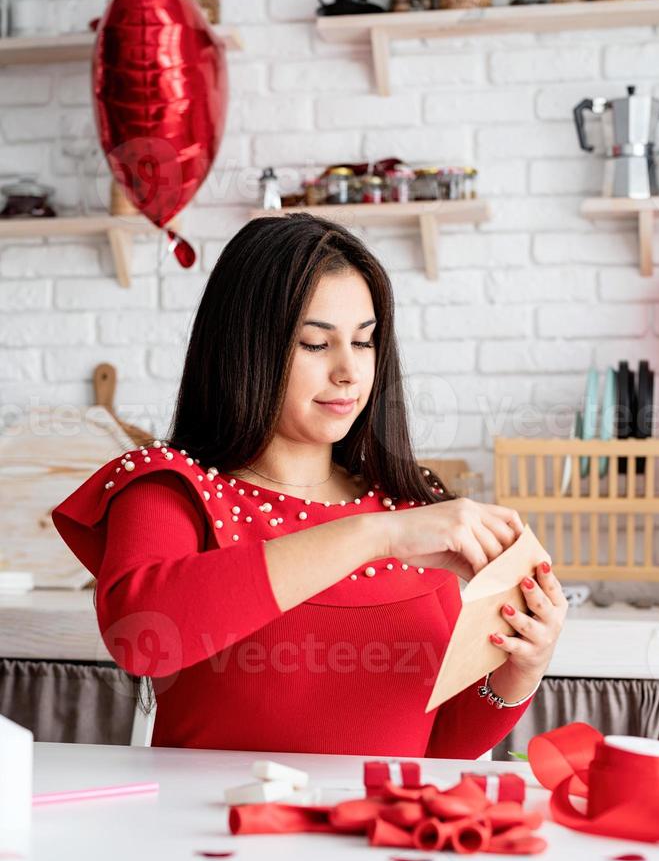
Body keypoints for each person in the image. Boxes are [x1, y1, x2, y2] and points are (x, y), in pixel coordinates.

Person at [52, 212, 567, 757]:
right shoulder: (172, 487)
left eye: (365, 343)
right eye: (316, 344)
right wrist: (377, 536)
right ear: (244, 347)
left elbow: (436, 751)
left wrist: (519, 672)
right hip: (214, 836)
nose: (349, 370)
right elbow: (142, 635)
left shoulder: (408, 504)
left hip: (379, 837)